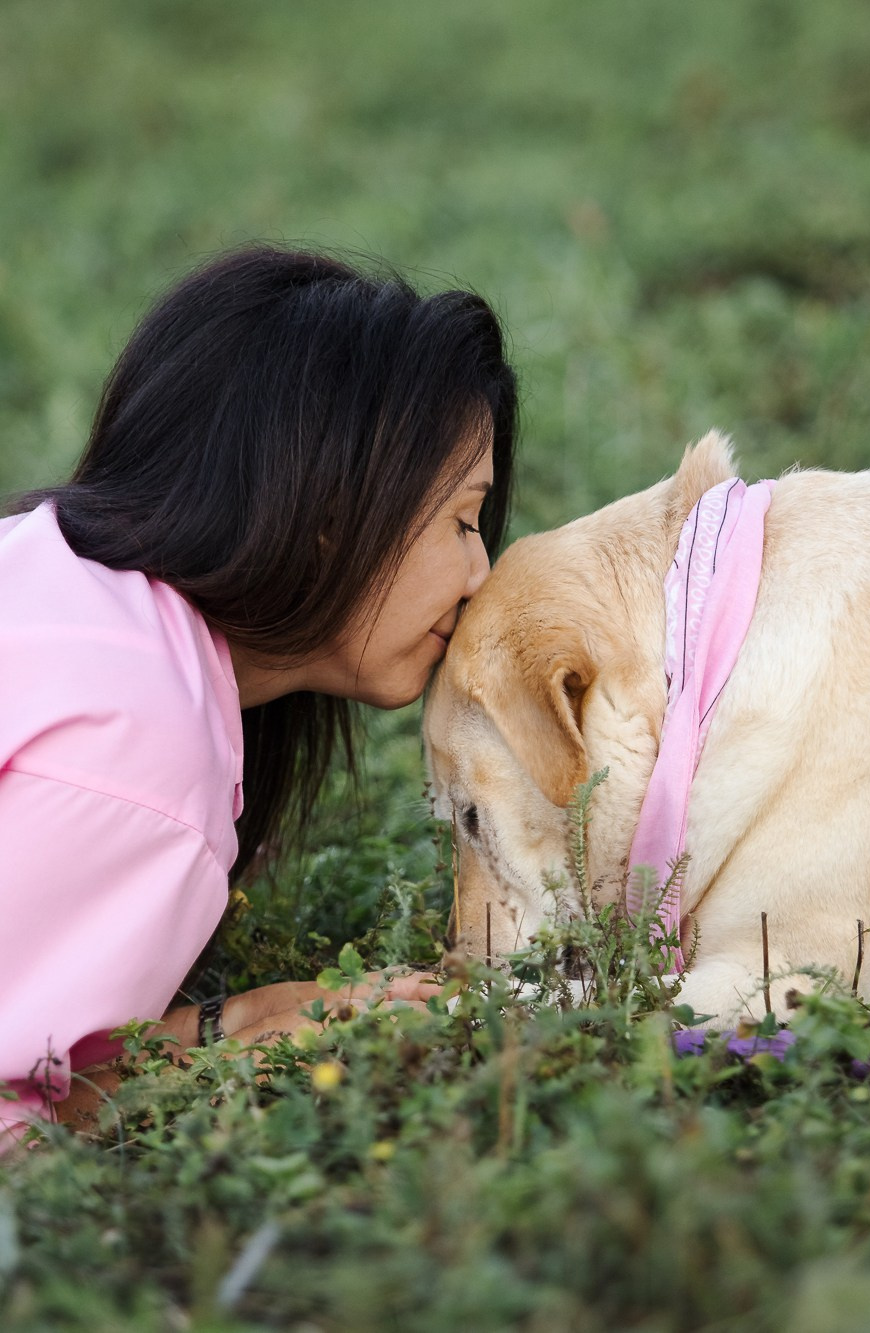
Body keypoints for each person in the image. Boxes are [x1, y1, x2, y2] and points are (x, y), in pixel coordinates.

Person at [0, 245, 517, 1142]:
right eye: (464, 519)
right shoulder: (140, 752)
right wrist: (224, 1069)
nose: (481, 573)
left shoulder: (52, 575)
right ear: (326, 510)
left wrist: (221, 1029)